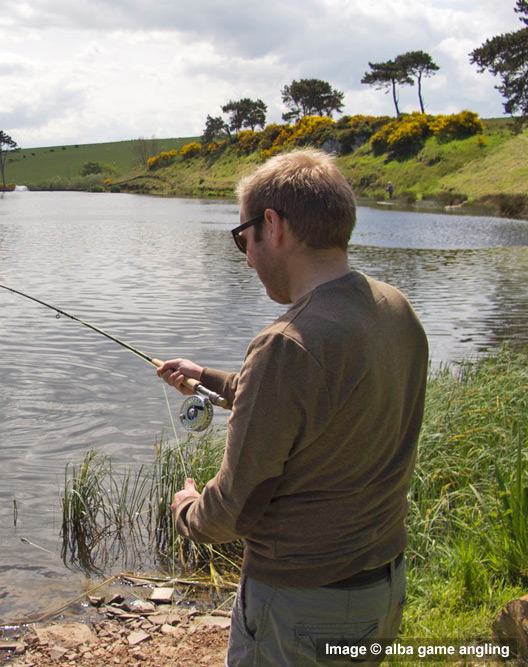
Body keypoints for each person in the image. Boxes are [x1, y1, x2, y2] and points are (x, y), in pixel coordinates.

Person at [157, 149, 427, 666]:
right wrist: (208, 379)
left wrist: (187, 511)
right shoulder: (394, 307)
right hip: (381, 588)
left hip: (301, 606)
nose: (247, 255)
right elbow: (317, 403)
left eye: (244, 238)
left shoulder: (286, 345)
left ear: (273, 226)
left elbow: (235, 508)